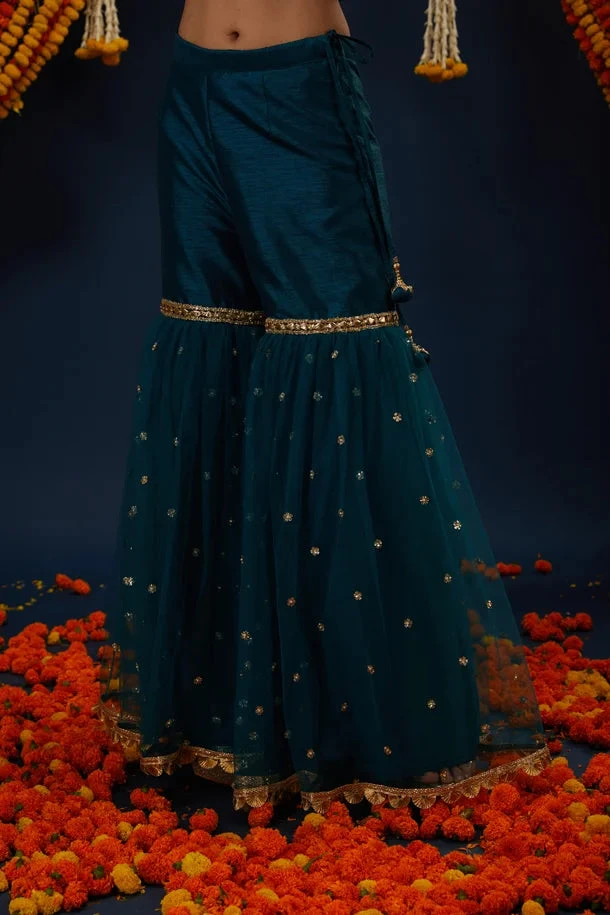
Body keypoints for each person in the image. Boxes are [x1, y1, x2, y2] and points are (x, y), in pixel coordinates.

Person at [98, 0, 549, 814]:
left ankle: (359, 724)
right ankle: (225, 714)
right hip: (193, 85)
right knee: (210, 340)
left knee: (329, 347)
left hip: (297, 92)